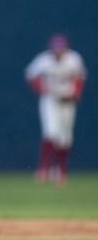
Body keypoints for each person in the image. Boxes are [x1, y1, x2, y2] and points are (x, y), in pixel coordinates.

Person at [25, 33, 86, 186]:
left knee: (65, 138)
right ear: (51, 48)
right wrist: (42, 89)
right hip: (50, 100)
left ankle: (60, 171)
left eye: (60, 48)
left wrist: (76, 93)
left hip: (67, 101)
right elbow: (30, 75)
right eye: (55, 48)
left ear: (65, 48)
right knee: (50, 133)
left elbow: (80, 77)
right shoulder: (44, 60)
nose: (58, 51)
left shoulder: (74, 59)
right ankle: (43, 169)